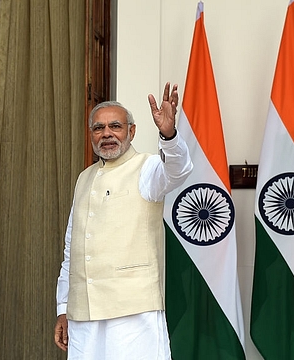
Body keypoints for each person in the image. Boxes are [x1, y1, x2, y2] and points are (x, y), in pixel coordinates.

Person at [53, 82, 193, 359]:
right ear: (91, 135)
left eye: (115, 126)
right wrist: (63, 306)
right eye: (98, 128)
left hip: (132, 312)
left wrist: (169, 135)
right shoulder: (84, 178)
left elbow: (178, 171)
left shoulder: (148, 166)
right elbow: (72, 249)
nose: (107, 134)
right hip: (84, 313)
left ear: (131, 131)